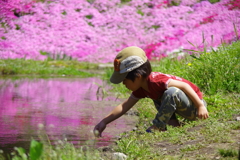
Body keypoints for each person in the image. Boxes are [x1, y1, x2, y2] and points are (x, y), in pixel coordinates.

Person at [94, 46, 209, 137]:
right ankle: (173, 124)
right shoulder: (142, 88)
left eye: (125, 80)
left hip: (195, 107)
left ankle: (158, 126)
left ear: (138, 76)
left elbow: (184, 86)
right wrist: (104, 122)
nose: (124, 84)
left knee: (171, 92)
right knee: (159, 96)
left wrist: (200, 106)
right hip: (183, 107)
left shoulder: (156, 81)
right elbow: (124, 106)